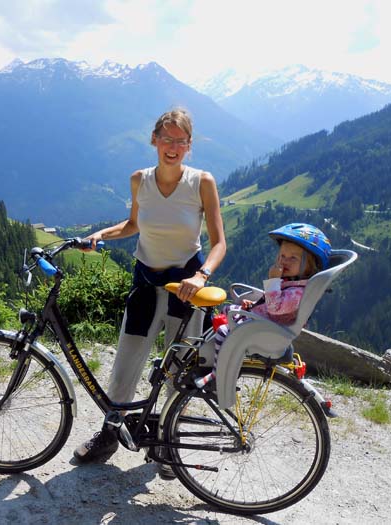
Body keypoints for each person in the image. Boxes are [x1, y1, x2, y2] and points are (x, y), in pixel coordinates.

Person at [73, 108, 226, 470]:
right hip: (145, 283)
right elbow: (132, 225)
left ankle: (169, 448)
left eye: (180, 141)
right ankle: (109, 435)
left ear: (189, 146)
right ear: (154, 140)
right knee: (125, 365)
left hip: (185, 288)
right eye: (166, 139)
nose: (172, 147)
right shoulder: (139, 180)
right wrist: (100, 235)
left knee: (177, 373)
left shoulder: (202, 182)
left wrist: (201, 275)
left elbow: (219, 243)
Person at [195, 223, 332, 388]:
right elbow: (275, 306)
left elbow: (275, 307)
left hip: (269, 331)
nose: (284, 261)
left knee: (224, 332)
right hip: (267, 322)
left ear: (310, 266)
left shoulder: (298, 292)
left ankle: (219, 374)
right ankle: (216, 353)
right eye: (282, 255)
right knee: (228, 310)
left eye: (293, 258)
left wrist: (273, 281)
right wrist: (254, 305)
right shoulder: (293, 284)